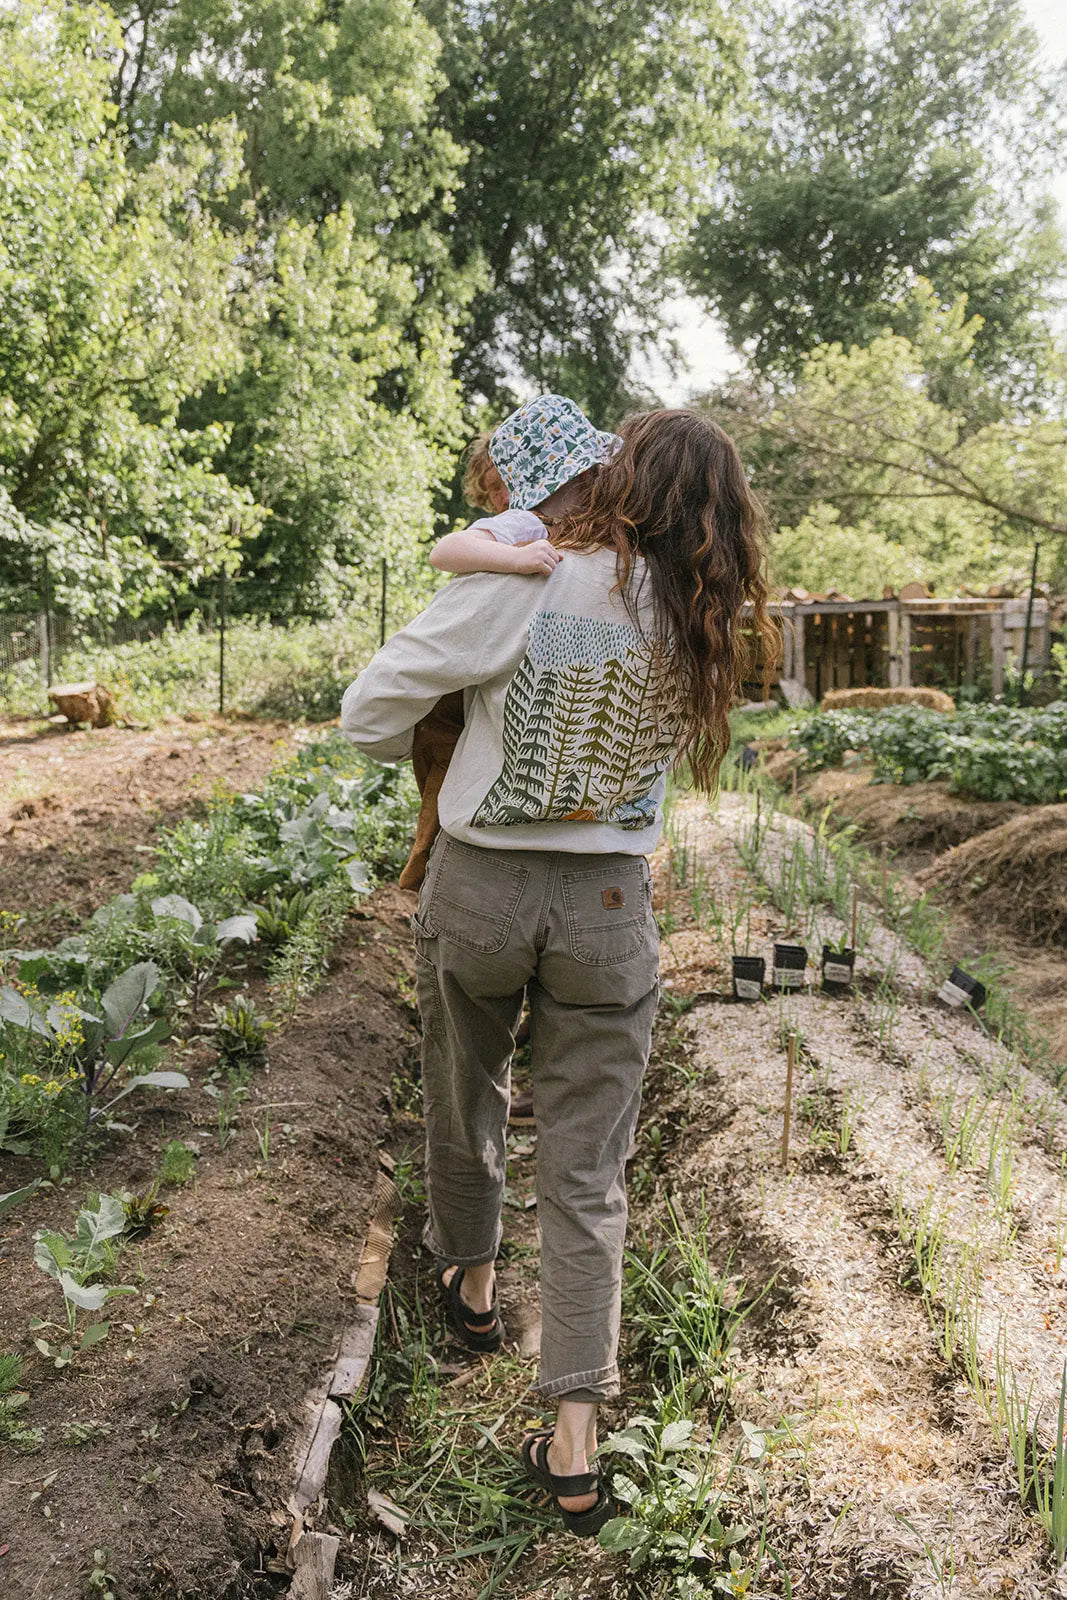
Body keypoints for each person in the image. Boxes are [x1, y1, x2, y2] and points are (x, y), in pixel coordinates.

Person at [341, 399, 777, 1538]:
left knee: (464, 1085)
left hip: (481, 884)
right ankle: (575, 1439)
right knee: (589, 1172)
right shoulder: (701, 612)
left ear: (620, 476)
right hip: (606, 906)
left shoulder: (524, 578)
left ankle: (475, 1289)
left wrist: (447, 725)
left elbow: (364, 713)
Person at [397, 416, 597, 891]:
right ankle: (428, 852)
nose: (504, 497)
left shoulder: (572, 527)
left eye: (508, 483)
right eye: (493, 490)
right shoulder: (516, 529)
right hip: (467, 677)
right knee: (445, 755)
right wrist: (515, 558)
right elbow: (447, 553)